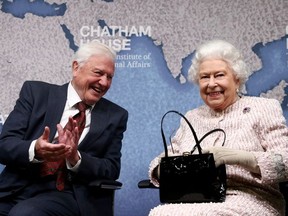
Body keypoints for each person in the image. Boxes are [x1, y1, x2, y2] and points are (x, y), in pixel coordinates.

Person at [148, 39, 288, 215]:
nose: (211, 83)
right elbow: (163, 159)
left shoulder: (263, 108)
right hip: (198, 198)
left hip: (253, 197)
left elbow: (285, 163)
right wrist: (166, 167)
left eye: (219, 75)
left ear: (237, 79)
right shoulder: (192, 117)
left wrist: (237, 157)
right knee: (160, 213)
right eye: (205, 77)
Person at [0, 41, 128, 216]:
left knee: (25, 214)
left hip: (68, 194)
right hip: (16, 188)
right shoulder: (36, 93)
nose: (104, 82)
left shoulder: (115, 115)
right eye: (98, 73)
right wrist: (35, 149)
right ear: (76, 68)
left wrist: (76, 158)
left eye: (110, 77)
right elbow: (5, 145)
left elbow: (111, 168)